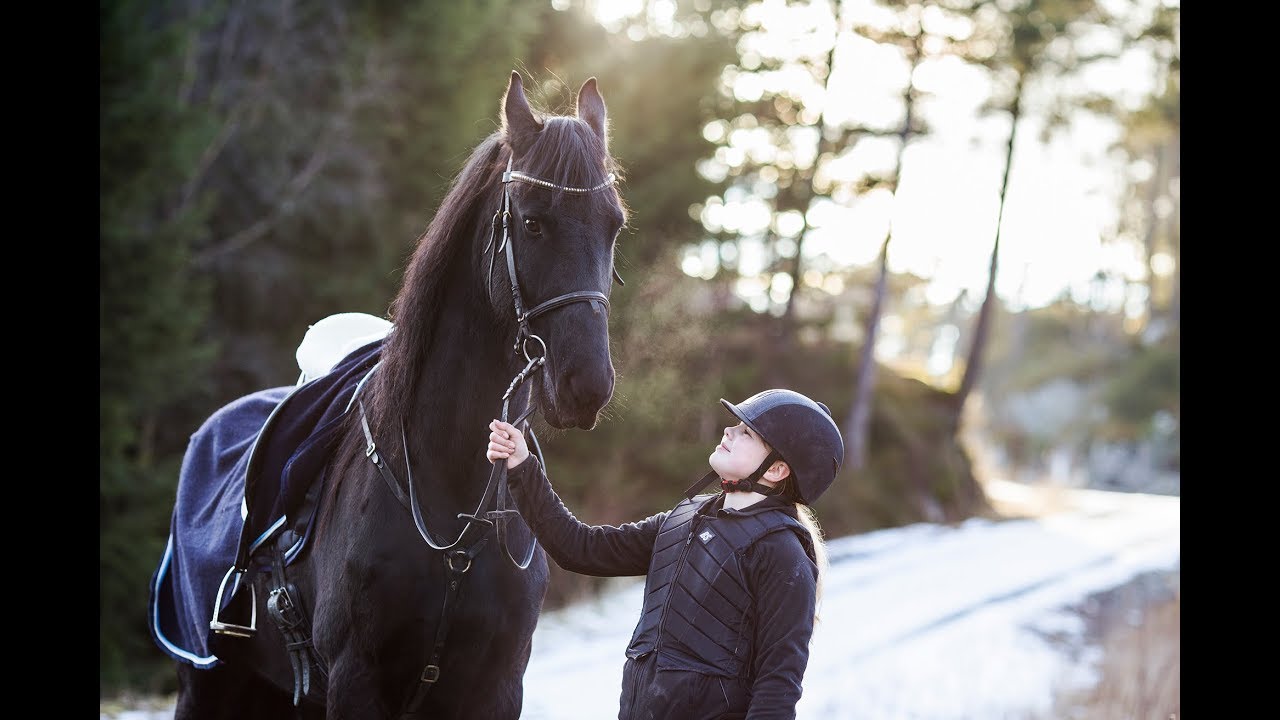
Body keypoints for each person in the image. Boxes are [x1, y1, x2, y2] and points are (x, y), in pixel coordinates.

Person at [487, 388, 845, 720]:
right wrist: (522, 465)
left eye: (746, 433)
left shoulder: (782, 553)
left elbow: (778, 688)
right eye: (735, 425)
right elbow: (581, 548)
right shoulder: (684, 518)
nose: (729, 432)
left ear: (778, 470)